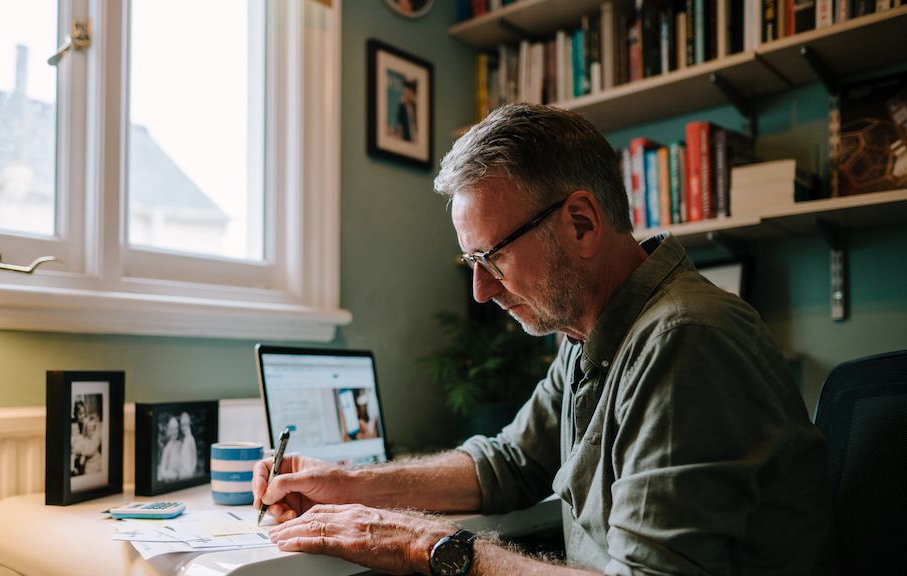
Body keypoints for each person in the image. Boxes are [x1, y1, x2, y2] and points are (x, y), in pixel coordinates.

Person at [253, 104, 834, 575]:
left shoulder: (686, 340)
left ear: (580, 223)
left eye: (492, 256)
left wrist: (423, 542)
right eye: (470, 260)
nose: (480, 290)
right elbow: (508, 463)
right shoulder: (590, 332)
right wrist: (345, 484)